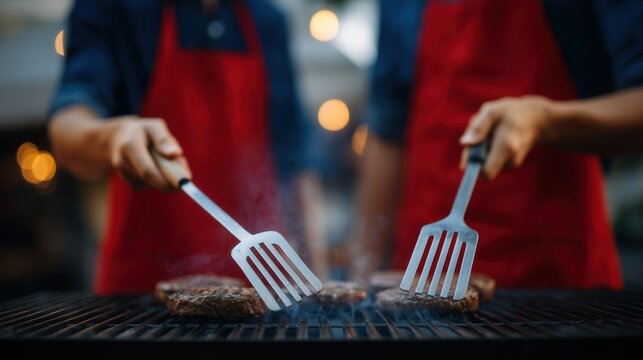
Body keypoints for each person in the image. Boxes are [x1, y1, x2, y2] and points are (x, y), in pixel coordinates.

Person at [350, 0, 643, 289]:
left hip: (553, 271)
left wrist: (547, 122)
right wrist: (361, 274)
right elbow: (388, 129)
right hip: (423, 265)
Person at [48, 0, 326, 293]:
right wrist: (115, 136)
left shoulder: (268, 20)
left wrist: (317, 281)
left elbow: (295, 164)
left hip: (259, 289)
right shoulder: (112, 8)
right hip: (146, 294)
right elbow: (67, 130)